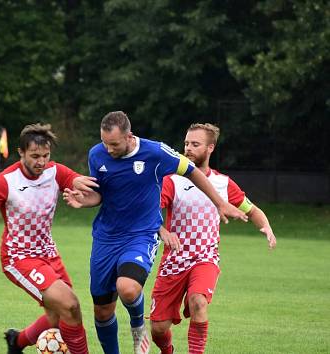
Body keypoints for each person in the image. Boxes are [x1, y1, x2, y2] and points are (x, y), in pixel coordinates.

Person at [62, 111, 248, 354]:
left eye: (114, 144)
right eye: (105, 143)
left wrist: (219, 203)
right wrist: (84, 201)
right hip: (106, 238)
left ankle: (138, 324)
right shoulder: (97, 154)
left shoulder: (156, 152)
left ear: (129, 136)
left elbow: (192, 170)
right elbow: (100, 193)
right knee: (102, 310)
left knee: (127, 288)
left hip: (141, 234)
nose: (108, 149)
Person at [0, 123, 98, 354]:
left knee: (57, 316)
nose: (41, 162)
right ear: (21, 153)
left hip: (49, 253)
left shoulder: (55, 172)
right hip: (19, 258)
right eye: (35, 156)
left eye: (46, 156)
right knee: (71, 305)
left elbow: (86, 187)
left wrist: (87, 193)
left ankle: (17, 342)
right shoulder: (5, 182)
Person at [150, 123, 277, 354]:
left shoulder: (223, 183)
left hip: (205, 258)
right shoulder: (171, 180)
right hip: (174, 261)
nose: (188, 148)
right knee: (158, 328)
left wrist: (266, 226)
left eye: (195, 144)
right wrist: (163, 232)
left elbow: (252, 210)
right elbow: (149, 214)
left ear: (210, 148)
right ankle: (167, 350)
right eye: (186, 143)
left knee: (198, 302)